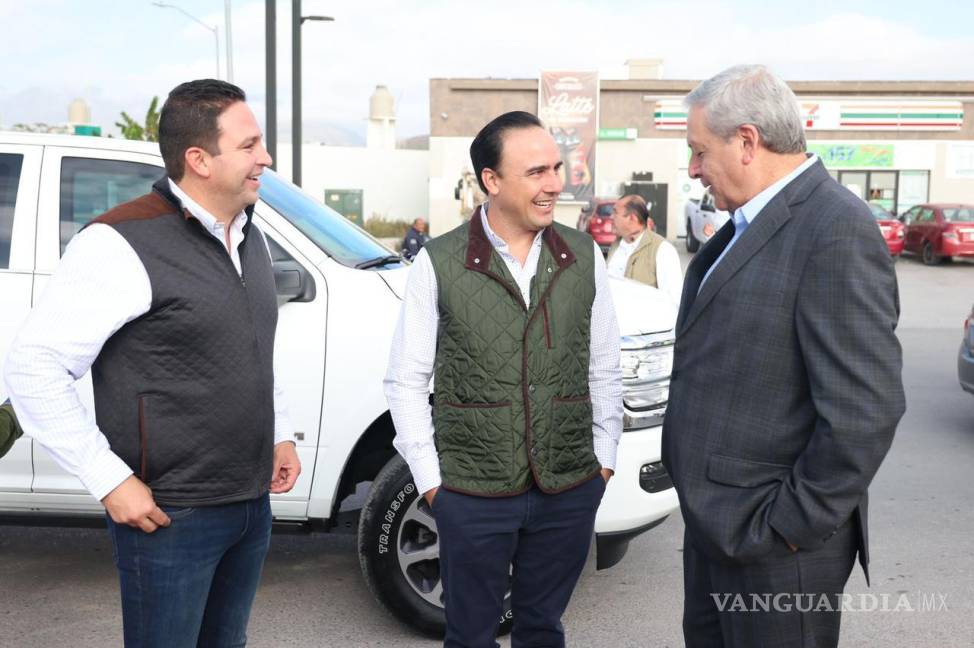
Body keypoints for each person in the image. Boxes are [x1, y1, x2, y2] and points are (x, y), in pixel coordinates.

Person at [3, 79, 301, 648]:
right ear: (199, 160)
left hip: (249, 506)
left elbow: (253, 347)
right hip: (170, 516)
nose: (265, 157)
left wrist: (279, 433)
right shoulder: (120, 243)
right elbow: (34, 367)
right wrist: (109, 479)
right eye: (249, 144)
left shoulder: (249, 235)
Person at [662, 64, 905, 648]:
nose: (693, 169)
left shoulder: (835, 228)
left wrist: (785, 529)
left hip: (775, 550)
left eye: (698, 151)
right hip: (718, 531)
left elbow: (864, 412)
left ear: (747, 142)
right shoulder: (743, 225)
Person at [384, 110, 623, 648]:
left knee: (542, 630)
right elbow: (406, 379)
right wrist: (431, 482)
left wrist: (603, 462)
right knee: (470, 635)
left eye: (556, 168)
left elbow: (603, 364)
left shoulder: (583, 255)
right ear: (491, 181)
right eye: (537, 172)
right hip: (470, 491)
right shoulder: (439, 261)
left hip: (568, 486)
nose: (555, 184)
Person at [606, 194, 684, 306]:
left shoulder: (663, 250)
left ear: (632, 218)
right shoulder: (616, 245)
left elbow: (674, 302)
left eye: (615, 213)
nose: (611, 217)